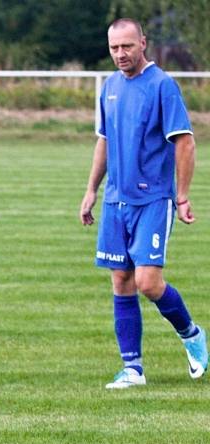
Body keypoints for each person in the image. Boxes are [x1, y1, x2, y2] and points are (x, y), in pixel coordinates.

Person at [79, 18, 207, 389]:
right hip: (116, 200)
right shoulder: (109, 87)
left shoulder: (162, 86)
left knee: (148, 282)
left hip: (153, 198)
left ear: (142, 44)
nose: (120, 54)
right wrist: (92, 190)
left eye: (127, 47)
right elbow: (103, 140)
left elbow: (185, 142)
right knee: (120, 280)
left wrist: (181, 196)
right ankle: (132, 369)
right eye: (114, 48)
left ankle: (192, 334)